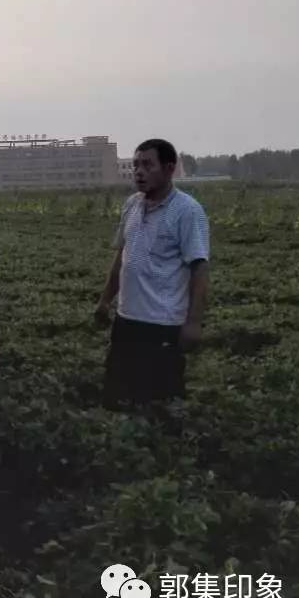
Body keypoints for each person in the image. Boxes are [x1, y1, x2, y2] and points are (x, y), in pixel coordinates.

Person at [96, 138, 210, 408]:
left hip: (162, 324)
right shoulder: (132, 205)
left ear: (169, 168)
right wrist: (105, 300)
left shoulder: (187, 211)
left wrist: (193, 323)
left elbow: (200, 268)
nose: (139, 171)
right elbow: (122, 257)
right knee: (117, 394)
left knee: (160, 401)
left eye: (147, 165)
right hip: (126, 320)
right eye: (136, 165)